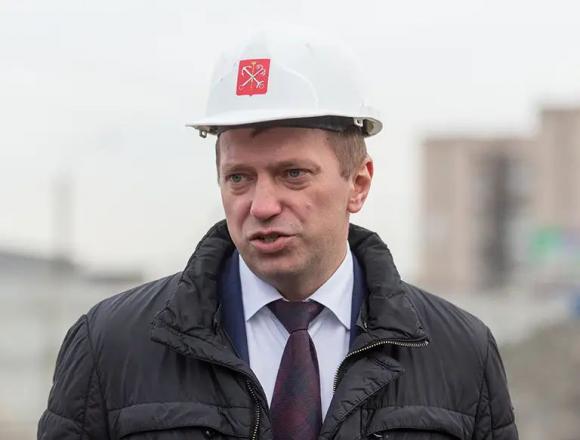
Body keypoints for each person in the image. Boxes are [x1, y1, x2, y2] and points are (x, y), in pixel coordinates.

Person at [38, 27, 518, 440]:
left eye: (293, 174)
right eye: (239, 177)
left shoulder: (460, 353)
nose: (262, 205)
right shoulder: (111, 345)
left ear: (358, 184)